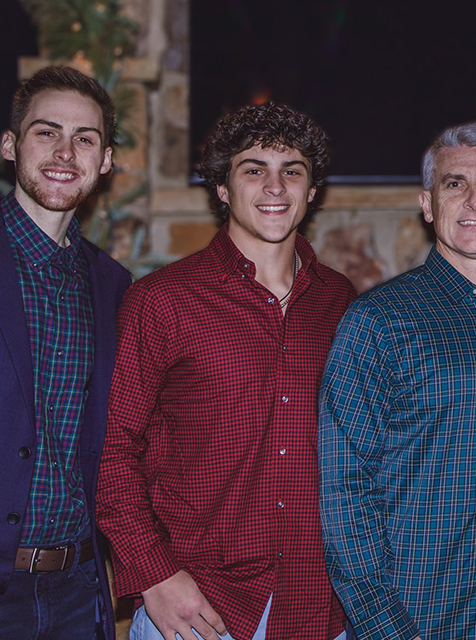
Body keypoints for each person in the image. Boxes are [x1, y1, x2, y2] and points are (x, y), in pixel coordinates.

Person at [96, 103, 355, 640]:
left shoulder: (339, 301)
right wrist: (155, 574)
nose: (275, 187)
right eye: (253, 169)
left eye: (293, 170)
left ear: (312, 191)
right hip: (198, 608)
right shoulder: (162, 301)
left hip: (318, 606)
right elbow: (112, 450)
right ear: (221, 187)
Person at [318, 122, 476, 640]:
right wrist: (387, 629)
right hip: (422, 618)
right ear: (428, 204)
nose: (475, 199)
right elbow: (346, 491)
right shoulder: (380, 321)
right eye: (455, 184)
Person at [0, 65, 129, 640]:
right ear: (10, 145)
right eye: (45, 131)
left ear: (104, 161)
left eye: (85, 138)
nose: (65, 151)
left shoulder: (113, 286)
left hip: (79, 589)